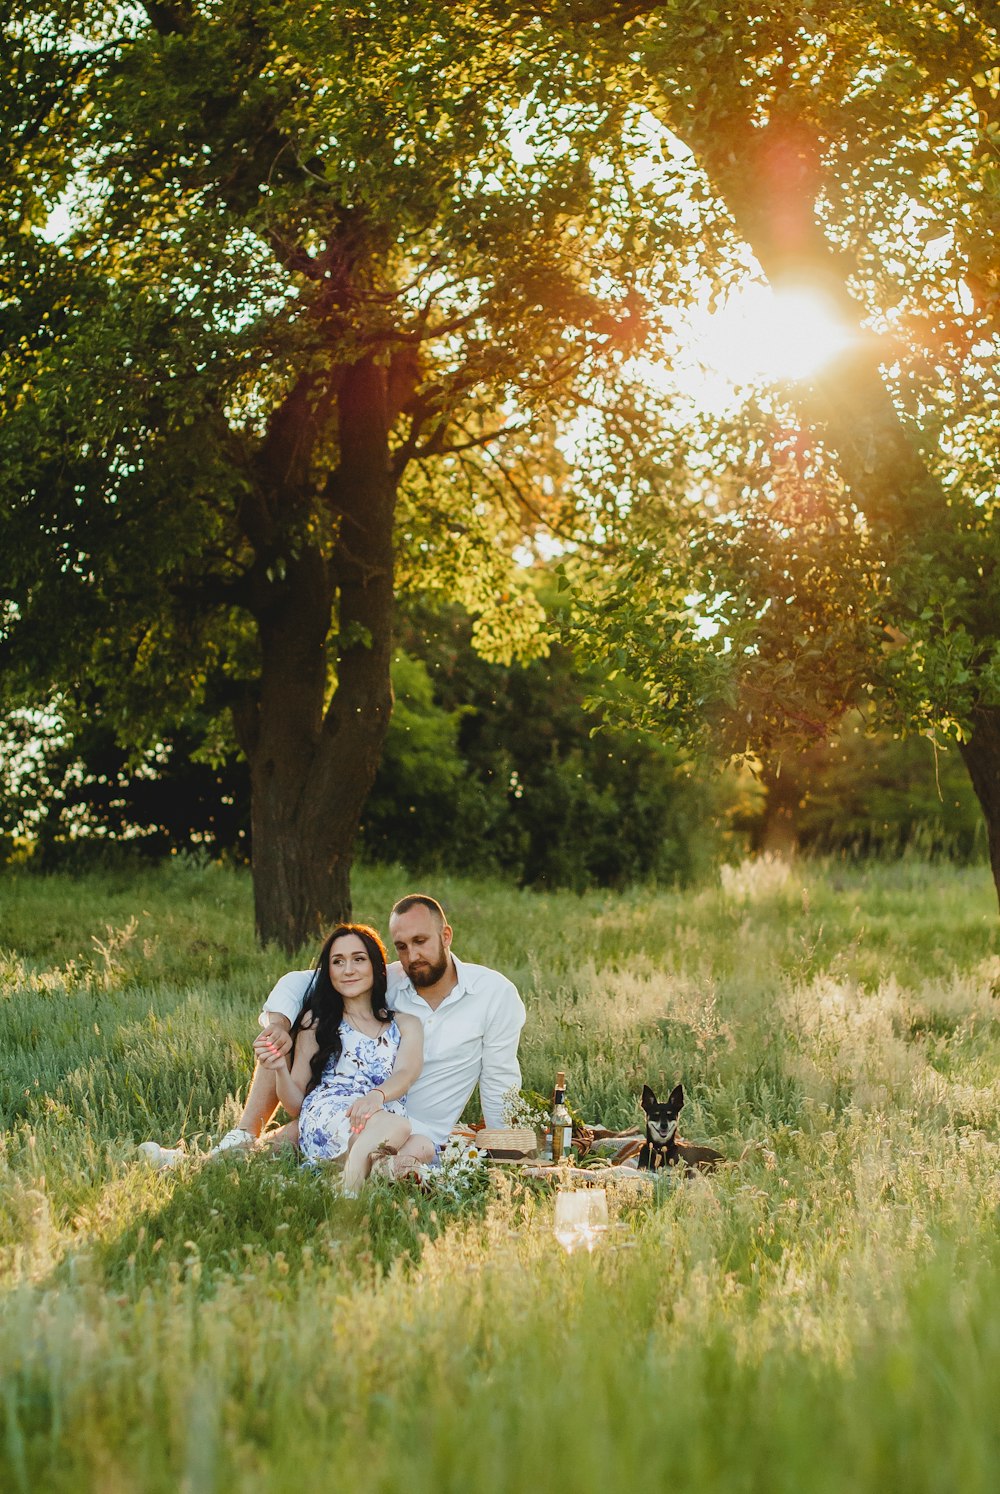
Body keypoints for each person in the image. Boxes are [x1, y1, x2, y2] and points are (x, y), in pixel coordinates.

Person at [141, 894, 525, 1174]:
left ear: (446, 936)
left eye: (421, 942)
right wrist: (278, 1027)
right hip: (350, 1112)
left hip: (412, 1128)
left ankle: (203, 1164)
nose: (412, 957)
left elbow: (499, 1080)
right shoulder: (388, 980)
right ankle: (226, 1146)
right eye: (401, 947)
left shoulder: (494, 994)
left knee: (292, 1144)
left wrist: (508, 1157)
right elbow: (300, 983)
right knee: (278, 1138)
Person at [257, 922, 422, 1193]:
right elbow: (296, 1103)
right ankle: (350, 1188)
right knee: (397, 1125)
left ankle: (354, 1171)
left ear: (376, 967)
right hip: (331, 1115)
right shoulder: (317, 1022)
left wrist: (376, 1096)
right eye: (338, 962)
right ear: (329, 972)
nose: (348, 970)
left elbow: (407, 1072)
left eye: (358, 959)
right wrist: (279, 1070)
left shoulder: (405, 1024)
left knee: (422, 1144)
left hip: (381, 1111)